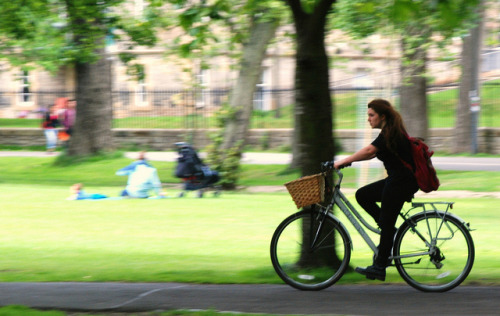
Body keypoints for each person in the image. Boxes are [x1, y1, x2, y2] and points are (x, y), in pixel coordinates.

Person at [334, 99, 419, 281]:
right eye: (368, 115)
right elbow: (370, 153)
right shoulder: (389, 131)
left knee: (387, 224)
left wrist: (341, 161)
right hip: (397, 181)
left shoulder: (390, 132)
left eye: (371, 115)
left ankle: (380, 266)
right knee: (363, 195)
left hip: (401, 182)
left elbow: (369, 150)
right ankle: (388, 231)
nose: (368, 119)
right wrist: (349, 161)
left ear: (383, 116)